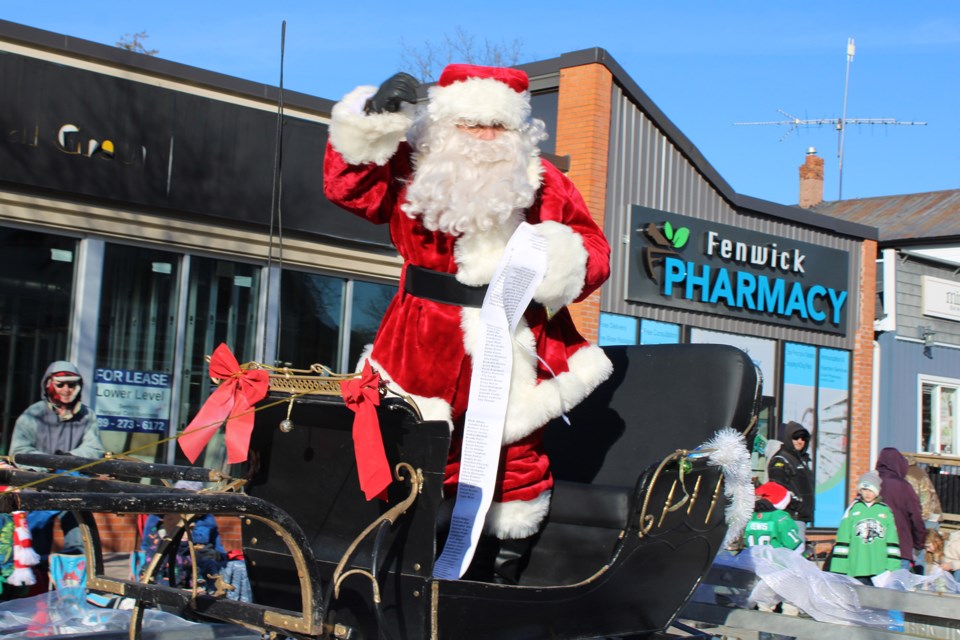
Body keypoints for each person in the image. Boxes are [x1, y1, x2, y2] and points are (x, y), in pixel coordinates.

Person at [323, 64, 613, 583]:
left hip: (512, 340)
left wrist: (558, 259)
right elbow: (349, 190)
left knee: (516, 461)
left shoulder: (546, 181)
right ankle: (393, 575)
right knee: (403, 453)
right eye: (471, 124)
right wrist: (373, 121)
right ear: (445, 124)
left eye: (496, 127)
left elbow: (595, 251)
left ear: (518, 130)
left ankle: (497, 584)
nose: (484, 137)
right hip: (418, 340)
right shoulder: (410, 166)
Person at [9, 361, 104, 556]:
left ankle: (73, 580)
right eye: (60, 384)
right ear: (48, 385)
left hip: (73, 485)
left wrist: (68, 459)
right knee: (36, 542)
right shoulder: (34, 415)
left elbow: (94, 448)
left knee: (79, 540)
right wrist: (48, 463)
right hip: (38, 484)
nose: (66, 389)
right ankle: (37, 580)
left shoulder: (87, 416)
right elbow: (19, 450)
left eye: (71, 385)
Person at [744, 482, 804, 620]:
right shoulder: (780, 517)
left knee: (765, 608)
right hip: (780, 568)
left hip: (760, 568)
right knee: (790, 604)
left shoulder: (752, 517)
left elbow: (747, 541)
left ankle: (765, 635)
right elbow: (794, 545)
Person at [829, 471, 901, 583]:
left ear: (877, 491)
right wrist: (839, 568)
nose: (868, 493)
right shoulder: (853, 510)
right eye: (864, 490)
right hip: (856, 567)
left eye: (871, 490)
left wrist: (893, 567)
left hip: (879, 569)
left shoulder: (885, 511)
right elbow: (843, 539)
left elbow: (892, 541)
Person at [876, 447, 925, 571]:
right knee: (897, 588)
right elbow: (916, 517)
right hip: (900, 547)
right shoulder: (903, 487)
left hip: (872, 549)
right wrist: (919, 542)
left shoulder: (870, 483)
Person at [766, 421, 814, 535]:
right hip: (789, 517)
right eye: (796, 437)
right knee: (791, 552)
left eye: (803, 438)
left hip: (800, 518)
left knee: (797, 552)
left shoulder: (802, 461)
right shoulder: (781, 460)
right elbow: (777, 489)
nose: (800, 441)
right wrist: (797, 505)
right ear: (788, 437)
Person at [904, 455, 942, 572]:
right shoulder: (919, 472)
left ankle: (916, 584)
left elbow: (912, 500)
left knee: (918, 554)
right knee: (927, 555)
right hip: (933, 516)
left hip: (923, 518)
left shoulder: (908, 476)